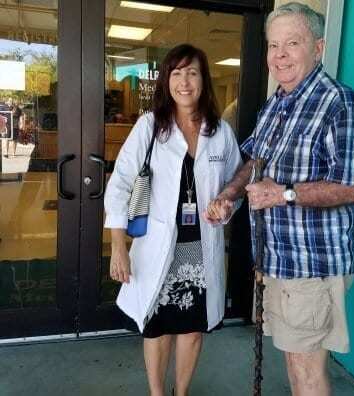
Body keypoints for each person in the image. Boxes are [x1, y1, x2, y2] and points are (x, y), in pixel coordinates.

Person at [204, 3, 354, 396]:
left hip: (313, 262)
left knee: (307, 367)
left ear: (318, 47)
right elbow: (256, 160)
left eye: (291, 43)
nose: (279, 55)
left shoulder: (342, 105)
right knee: (294, 360)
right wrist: (230, 196)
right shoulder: (276, 104)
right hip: (279, 260)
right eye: (273, 45)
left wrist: (283, 193)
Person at [104, 44, 242, 396]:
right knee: (157, 327)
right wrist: (118, 246)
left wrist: (227, 205)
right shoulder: (150, 127)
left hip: (199, 247)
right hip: (156, 247)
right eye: (177, 73)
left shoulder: (220, 131)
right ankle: (157, 393)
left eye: (192, 72)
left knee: (193, 329)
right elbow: (119, 183)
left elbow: (236, 184)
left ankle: (181, 393)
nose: (184, 81)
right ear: (167, 80)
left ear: (203, 80)